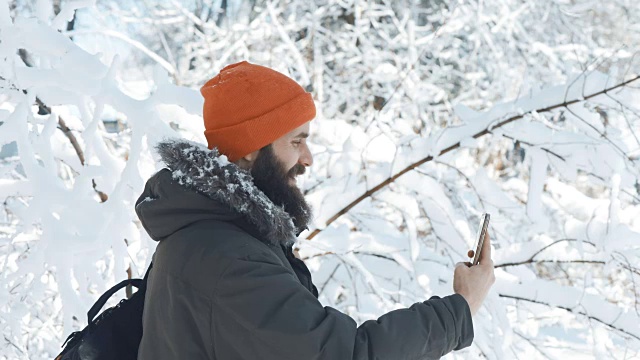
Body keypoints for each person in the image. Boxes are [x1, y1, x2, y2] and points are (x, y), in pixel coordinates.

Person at [135, 61, 495, 359]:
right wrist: (461, 307)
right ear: (248, 149)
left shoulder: (209, 234)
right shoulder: (230, 258)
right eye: (296, 142)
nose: (307, 159)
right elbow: (346, 354)